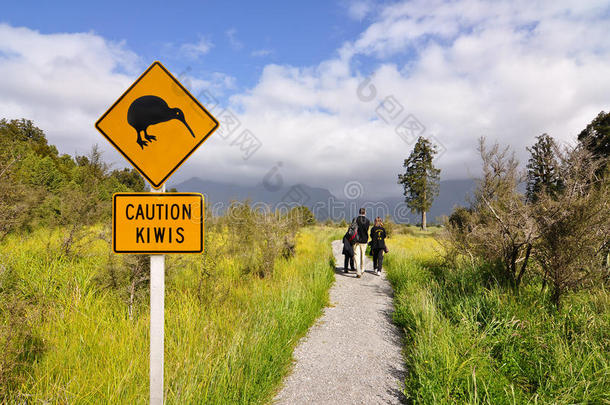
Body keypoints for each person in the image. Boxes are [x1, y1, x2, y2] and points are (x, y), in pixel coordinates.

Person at [352, 208, 371, 278]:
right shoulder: (368, 221)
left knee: (356, 255)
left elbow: (352, 229)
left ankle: (358, 271)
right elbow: (367, 230)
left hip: (356, 240)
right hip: (364, 240)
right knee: (363, 255)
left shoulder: (355, 219)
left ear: (359, 212)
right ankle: (362, 269)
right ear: (365, 212)